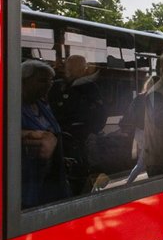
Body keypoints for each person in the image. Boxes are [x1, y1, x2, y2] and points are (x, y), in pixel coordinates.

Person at [48, 54, 106, 195]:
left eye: (78, 67)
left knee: (83, 170)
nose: (72, 70)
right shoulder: (56, 86)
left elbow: (100, 113)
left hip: (81, 137)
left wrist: (92, 131)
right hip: (59, 137)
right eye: (71, 66)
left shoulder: (89, 87)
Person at [21, 60, 71, 208]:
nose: (48, 85)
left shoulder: (42, 105)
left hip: (53, 179)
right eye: (42, 80)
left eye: (50, 80)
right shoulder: (11, 106)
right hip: (27, 183)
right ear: (24, 81)